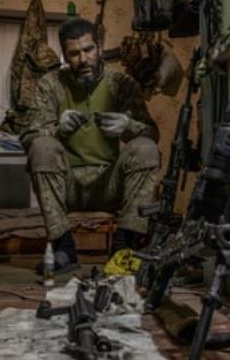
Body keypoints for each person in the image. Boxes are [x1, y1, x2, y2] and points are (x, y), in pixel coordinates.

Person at [20, 18, 160, 274]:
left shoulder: (122, 84)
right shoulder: (50, 84)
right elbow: (28, 137)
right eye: (74, 53)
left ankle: (123, 248)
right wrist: (57, 129)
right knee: (41, 147)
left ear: (99, 46)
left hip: (109, 184)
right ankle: (63, 248)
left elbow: (152, 133)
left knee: (146, 149)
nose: (83, 59)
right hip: (67, 185)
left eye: (88, 50)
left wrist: (128, 125)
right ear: (64, 55)